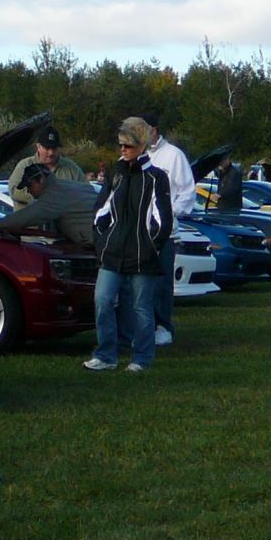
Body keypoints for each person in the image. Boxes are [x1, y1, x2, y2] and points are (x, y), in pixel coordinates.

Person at [84, 117, 173, 373]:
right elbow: (100, 211)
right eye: (120, 144)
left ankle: (141, 358)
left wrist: (150, 247)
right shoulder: (116, 174)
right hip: (112, 253)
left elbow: (162, 221)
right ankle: (106, 355)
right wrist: (102, 242)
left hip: (142, 258)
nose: (122, 149)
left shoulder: (156, 178)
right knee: (102, 300)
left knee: (142, 309)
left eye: (128, 145)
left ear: (141, 145)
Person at [137, 112, 194, 347]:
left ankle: (163, 327)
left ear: (154, 129)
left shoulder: (174, 156)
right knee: (140, 283)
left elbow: (187, 194)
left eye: (144, 129)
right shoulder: (135, 156)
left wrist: (166, 215)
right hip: (139, 232)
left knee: (161, 283)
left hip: (164, 234)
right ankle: (141, 326)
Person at [0, 164, 98, 246]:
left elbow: (30, 215)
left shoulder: (54, 195)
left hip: (94, 243)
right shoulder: (68, 186)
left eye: (30, 186)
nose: (28, 191)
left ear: (41, 180)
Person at [7, 125, 84, 209]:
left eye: (54, 148)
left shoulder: (71, 168)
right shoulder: (24, 165)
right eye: (47, 148)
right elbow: (13, 191)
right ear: (38, 146)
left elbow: (86, 192)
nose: (51, 153)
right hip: (30, 220)